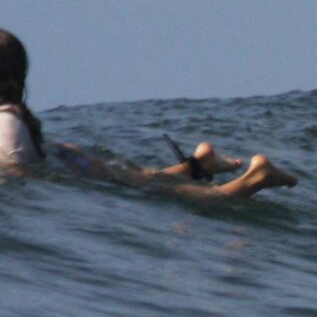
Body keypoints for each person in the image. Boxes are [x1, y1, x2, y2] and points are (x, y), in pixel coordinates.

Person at [0, 28, 298, 200]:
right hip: (69, 160)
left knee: (178, 197)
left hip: (71, 167)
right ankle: (199, 164)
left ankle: (256, 177)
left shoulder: (5, 122)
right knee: (142, 180)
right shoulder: (10, 117)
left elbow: (20, 176)